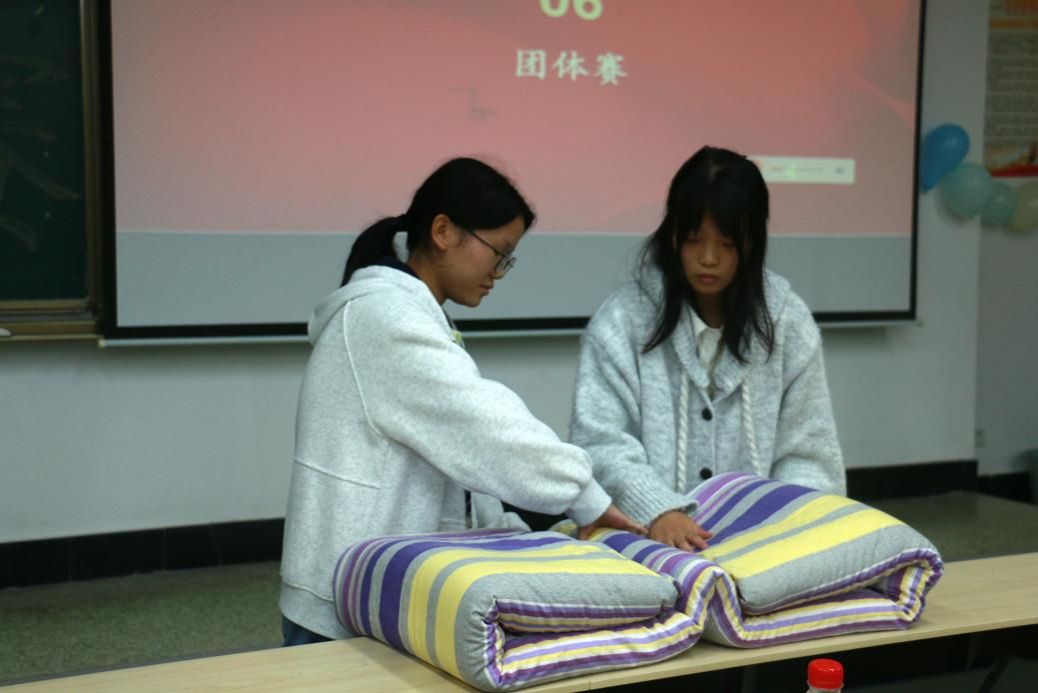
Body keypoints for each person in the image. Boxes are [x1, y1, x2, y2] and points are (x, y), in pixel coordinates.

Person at [279, 157, 645, 645]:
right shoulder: (387, 320)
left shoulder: (405, 313)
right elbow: (488, 430)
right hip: (345, 606)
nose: (500, 272)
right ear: (443, 232)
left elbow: (457, 459)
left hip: (367, 588)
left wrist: (514, 530)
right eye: (499, 253)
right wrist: (586, 498)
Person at [570, 146, 846, 553]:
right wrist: (658, 509)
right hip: (647, 535)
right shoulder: (622, 320)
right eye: (693, 239)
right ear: (672, 234)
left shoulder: (788, 322)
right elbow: (601, 444)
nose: (709, 258)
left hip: (764, 541)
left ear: (753, 242)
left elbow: (809, 455)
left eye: (727, 243)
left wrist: (780, 526)